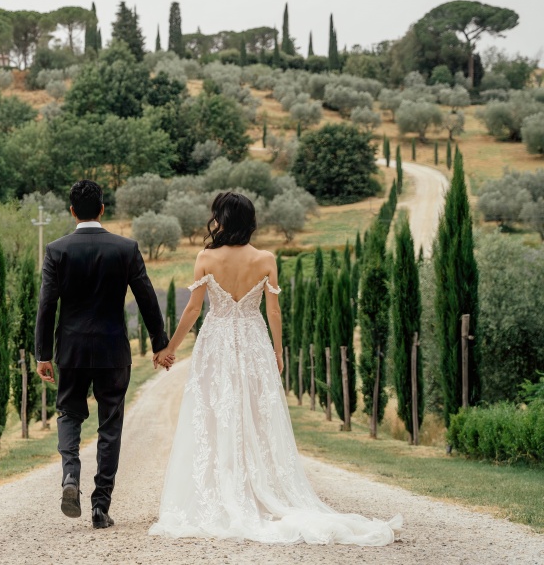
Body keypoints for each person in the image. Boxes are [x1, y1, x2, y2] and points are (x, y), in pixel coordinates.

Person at [149, 192, 402, 545]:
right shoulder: (265, 259)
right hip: (254, 342)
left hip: (216, 343)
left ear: (221, 220)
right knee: (255, 414)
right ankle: (256, 489)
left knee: (214, 412)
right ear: (249, 221)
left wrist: (170, 348)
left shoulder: (205, 257)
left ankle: (221, 490)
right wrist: (277, 351)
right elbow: (273, 311)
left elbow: (192, 310)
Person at [35, 179, 172, 530]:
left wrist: (43, 354)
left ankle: (70, 476)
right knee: (110, 424)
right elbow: (146, 298)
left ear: (72, 211)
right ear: (102, 209)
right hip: (113, 350)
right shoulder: (125, 248)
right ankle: (100, 506)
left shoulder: (56, 250)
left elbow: (46, 306)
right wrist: (160, 344)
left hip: (72, 350)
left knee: (69, 414)